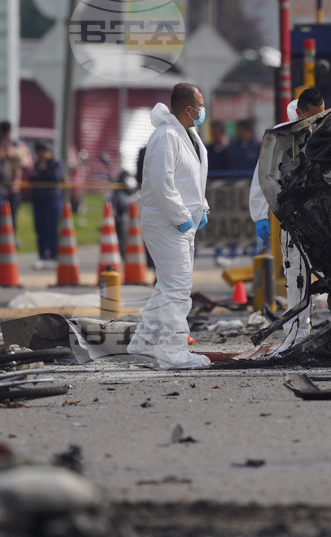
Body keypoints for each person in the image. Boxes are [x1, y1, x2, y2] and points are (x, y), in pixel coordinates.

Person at [127, 83, 211, 370]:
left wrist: (202, 208)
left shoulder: (187, 134)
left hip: (178, 221)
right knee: (178, 288)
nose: (203, 110)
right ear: (188, 109)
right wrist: (181, 217)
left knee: (167, 286)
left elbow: (190, 179)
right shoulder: (165, 136)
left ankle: (143, 342)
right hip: (166, 222)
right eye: (200, 105)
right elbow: (163, 184)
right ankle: (173, 350)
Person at [249, 89, 326, 354]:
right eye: (314, 115)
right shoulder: (281, 136)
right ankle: (296, 336)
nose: (319, 119)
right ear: (301, 112)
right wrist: (260, 215)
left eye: (322, 113)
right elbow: (262, 175)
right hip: (295, 219)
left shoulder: (327, 131)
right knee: (297, 279)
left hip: (326, 220)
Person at [28, 142, 63, 269]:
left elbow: (57, 178)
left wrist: (44, 171)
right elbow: (31, 178)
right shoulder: (37, 164)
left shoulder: (55, 163)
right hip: (38, 201)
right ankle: (42, 255)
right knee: (40, 228)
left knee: (51, 228)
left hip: (52, 200)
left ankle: (53, 256)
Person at [0, 122, 31, 227]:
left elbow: (28, 164)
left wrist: (14, 155)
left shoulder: (18, 146)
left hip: (13, 190)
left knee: (11, 220)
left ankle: (11, 241)